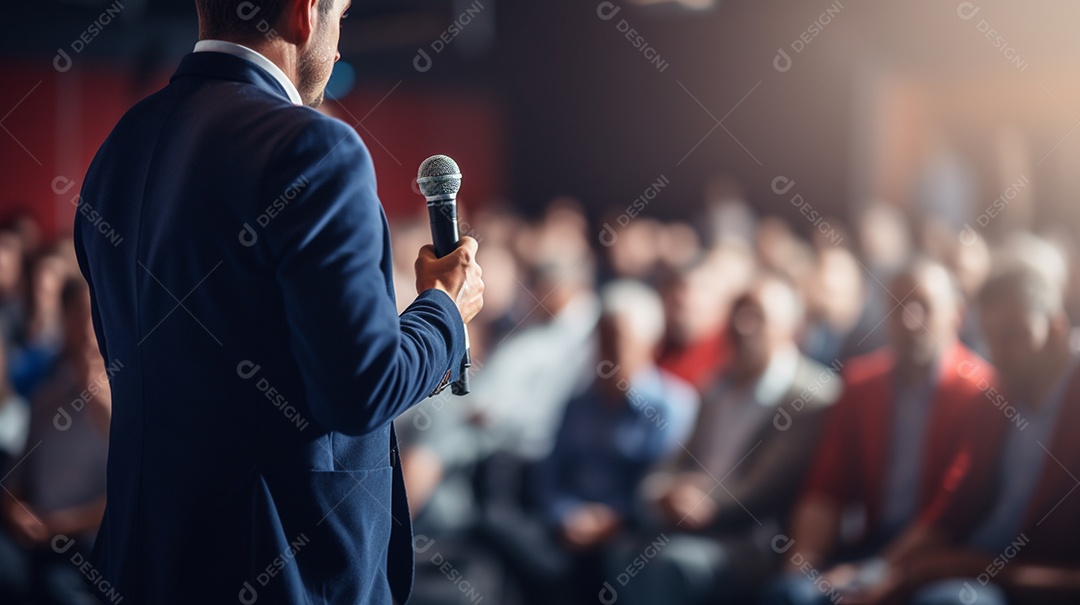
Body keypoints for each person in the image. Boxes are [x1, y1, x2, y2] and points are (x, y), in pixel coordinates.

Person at [73, 1, 484, 602]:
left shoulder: (120, 148)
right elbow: (362, 390)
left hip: (143, 562)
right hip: (282, 567)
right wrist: (445, 309)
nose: (339, 46)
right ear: (305, 12)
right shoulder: (314, 148)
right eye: (341, 16)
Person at [842, 241, 1080, 605]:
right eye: (991, 338)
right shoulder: (998, 396)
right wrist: (874, 576)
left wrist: (980, 569)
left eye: (1014, 335)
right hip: (967, 568)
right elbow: (951, 512)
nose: (1000, 353)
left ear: (1057, 327)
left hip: (1016, 584)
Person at [765, 260, 994, 605]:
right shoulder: (862, 383)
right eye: (899, 305)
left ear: (957, 314)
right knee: (791, 594)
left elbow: (951, 511)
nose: (910, 319)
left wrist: (875, 574)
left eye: (924, 305)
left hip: (936, 558)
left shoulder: (982, 391)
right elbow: (826, 487)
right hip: (870, 543)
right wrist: (803, 565)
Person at [626, 274, 841, 604]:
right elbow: (676, 460)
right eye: (739, 313)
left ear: (790, 328)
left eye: (757, 316)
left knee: (672, 564)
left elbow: (765, 488)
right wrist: (662, 492)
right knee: (623, 552)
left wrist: (704, 503)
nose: (743, 325)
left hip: (753, 537)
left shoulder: (811, 395)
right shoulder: (714, 389)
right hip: (689, 521)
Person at [481, 280, 698, 604]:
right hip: (564, 527)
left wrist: (616, 519)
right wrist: (566, 515)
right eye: (600, 339)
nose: (605, 352)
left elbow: (659, 483)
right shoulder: (578, 403)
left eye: (617, 340)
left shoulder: (673, 408)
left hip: (631, 535)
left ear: (649, 345)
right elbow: (549, 473)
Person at [0, 277, 111, 604]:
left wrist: (58, 526)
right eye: (78, 314)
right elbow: (15, 481)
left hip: (90, 540)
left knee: (61, 587)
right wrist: (18, 512)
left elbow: (128, 496)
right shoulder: (46, 399)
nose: (87, 328)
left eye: (94, 314)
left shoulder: (127, 405)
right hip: (37, 538)